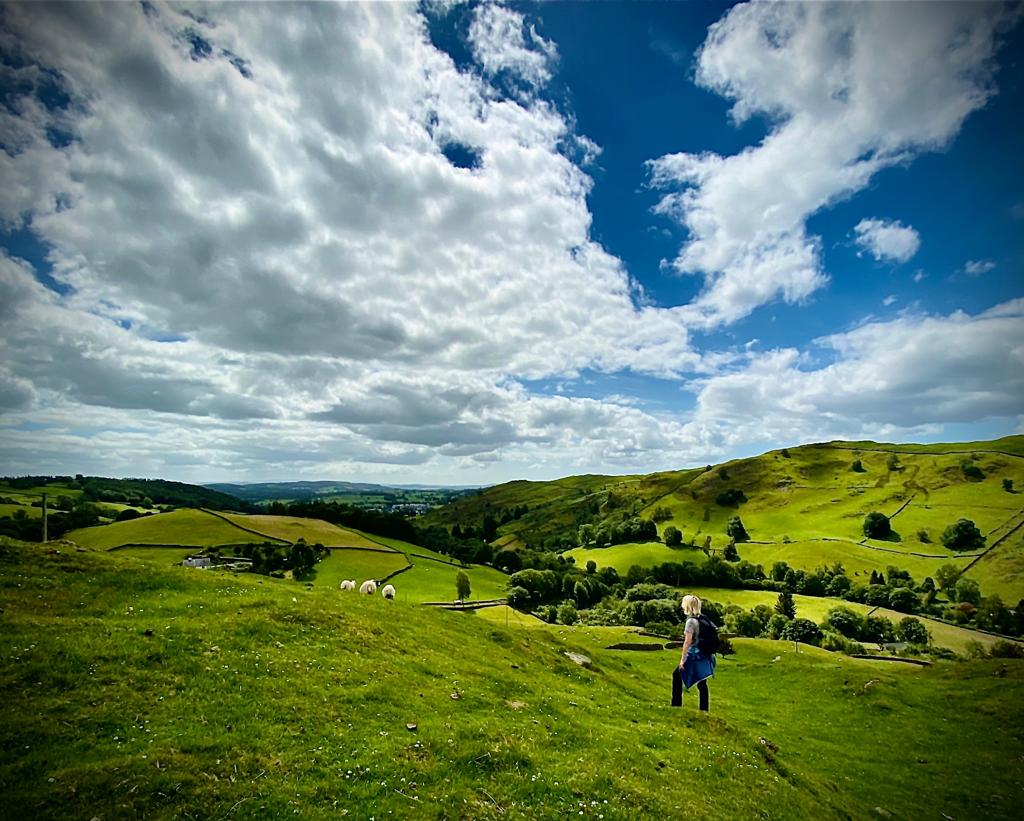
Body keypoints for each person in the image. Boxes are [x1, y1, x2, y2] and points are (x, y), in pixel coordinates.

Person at [671, 594, 716, 711]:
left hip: (695, 653)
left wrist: (682, 660)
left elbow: (687, 642)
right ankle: (704, 709)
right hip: (705, 654)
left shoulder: (691, 621)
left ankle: (676, 705)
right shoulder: (704, 619)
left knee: (677, 675)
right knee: (702, 681)